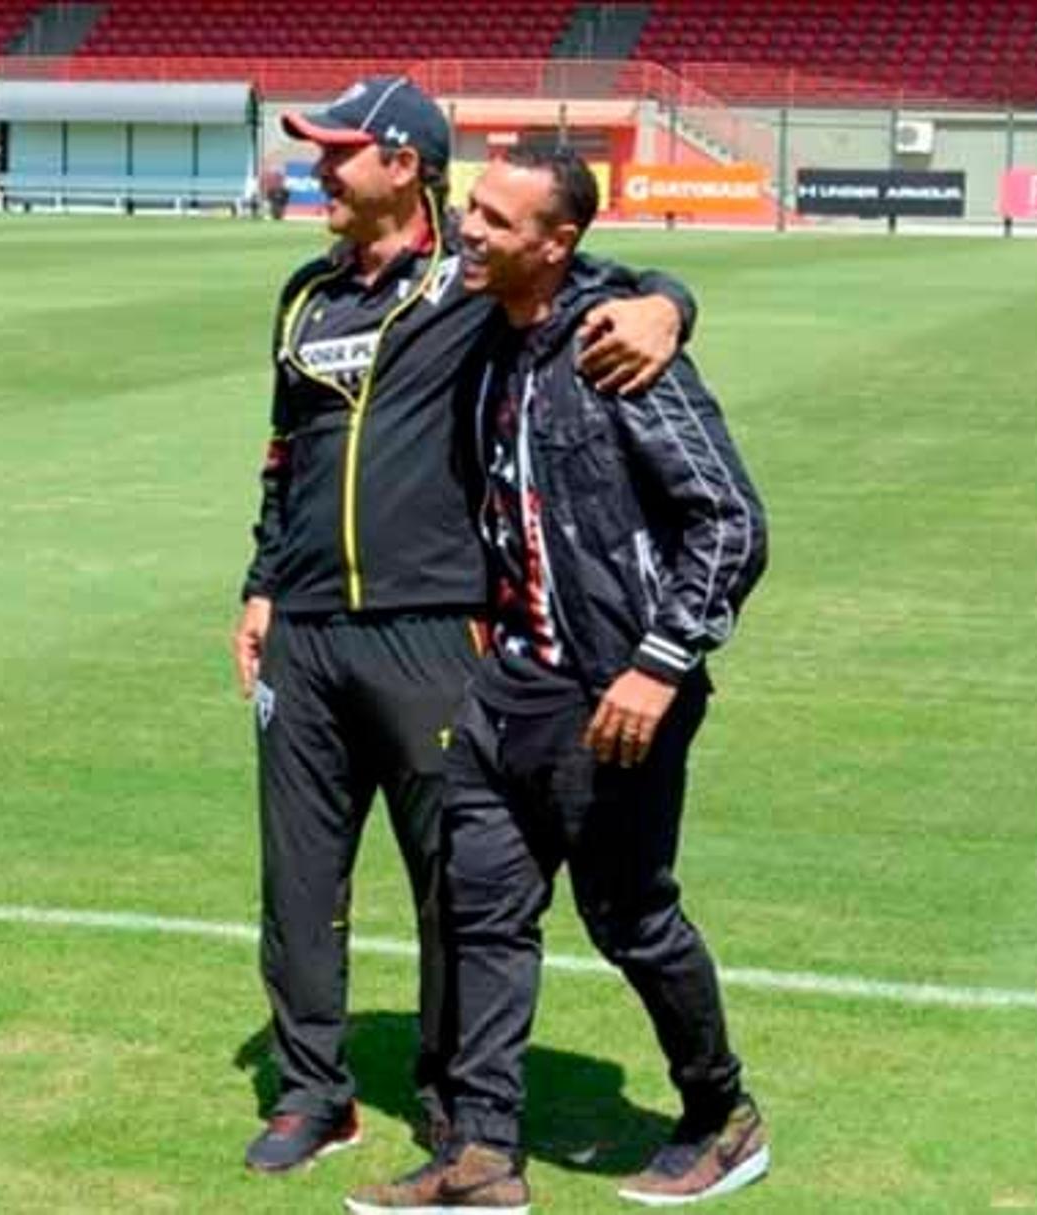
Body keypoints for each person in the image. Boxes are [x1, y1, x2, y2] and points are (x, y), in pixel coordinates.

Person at [235, 77, 699, 1175]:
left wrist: (670, 306)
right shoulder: (305, 294)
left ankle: (458, 1103)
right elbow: (282, 456)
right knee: (299, 878)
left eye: (336, 152)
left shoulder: (472, 282)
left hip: (437, 630)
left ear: (402, 163)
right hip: (303, 633)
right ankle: (314, 1093)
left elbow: (613, 282)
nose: (317, 169)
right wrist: (260, 583)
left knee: (457, 879)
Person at [346, 146, 769, 1213]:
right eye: (469, 209)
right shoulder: (487, 330)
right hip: (510, 691)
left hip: (617, 697)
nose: (470, 229)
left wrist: (659, 667)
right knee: (483, 915)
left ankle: (722, 1115)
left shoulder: (620, 346)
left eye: (496, 217)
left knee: (630, 919)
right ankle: (484, 1157)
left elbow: (732, 522)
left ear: (557, 240)